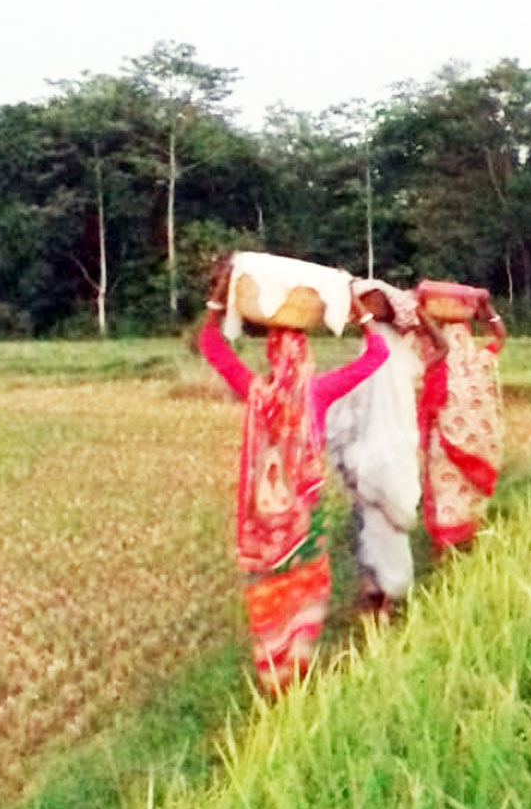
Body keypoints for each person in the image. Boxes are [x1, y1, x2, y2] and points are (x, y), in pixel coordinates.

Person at [198, 254, 387, 694]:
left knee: (269, 592)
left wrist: (216, 300)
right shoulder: (318, 392)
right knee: (303, 590)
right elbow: (375, 355)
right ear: (306, 359)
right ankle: (297, 668)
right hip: (305, 520)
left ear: (271, 356)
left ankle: (272, 673)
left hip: (265, 527)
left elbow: (212, 346)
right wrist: (361, 318)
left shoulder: (256, 391)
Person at [325, 279, 447, 621]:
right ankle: (375, 591)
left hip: (389, 449)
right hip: (373, 449)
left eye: (372, 302)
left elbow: (440, 348)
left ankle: (385, 596)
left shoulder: (392, 353)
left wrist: (417, 313)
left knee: (381, 524)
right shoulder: (378, 351)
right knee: (368, 524)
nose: (365, 308)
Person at [414, 280, 506, 556]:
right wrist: (487, 307)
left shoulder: (434, 350)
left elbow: (434, 341)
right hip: (472, 443)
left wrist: (421, 310)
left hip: (444, 439)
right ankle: (465, 546)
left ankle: (444, 554)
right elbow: (500, 336)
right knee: (466, 497)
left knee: (445, 496)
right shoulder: (478, 360)